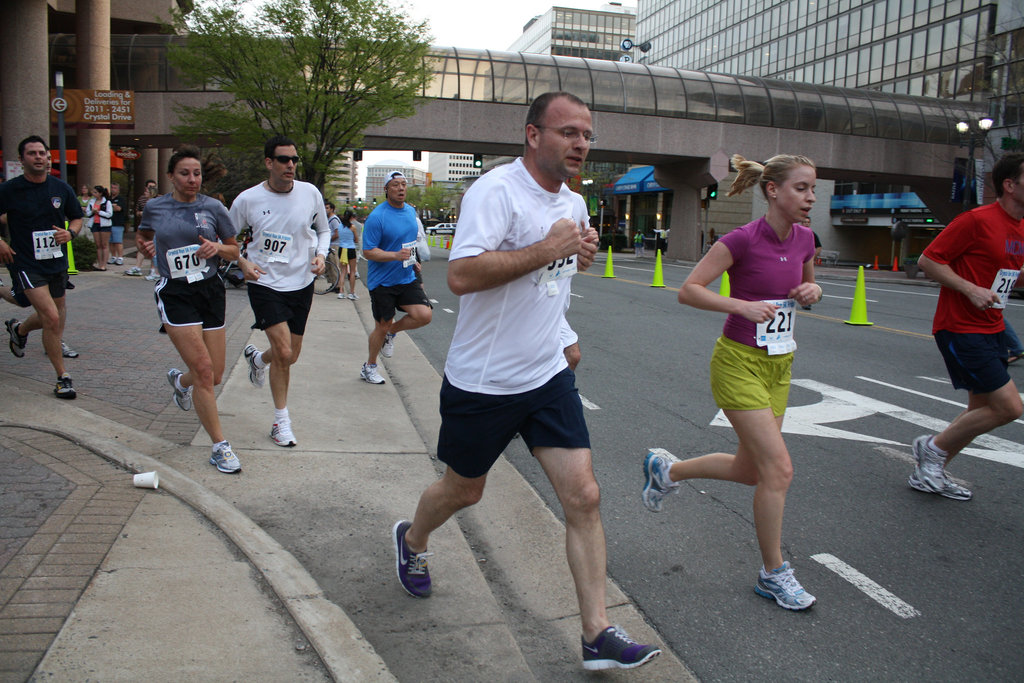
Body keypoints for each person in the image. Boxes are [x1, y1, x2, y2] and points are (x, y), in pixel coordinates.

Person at [392, 92, 660, 671]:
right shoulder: (495, 191)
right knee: (465, 490)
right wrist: (548, 249)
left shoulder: (575, 203)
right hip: (484, 381)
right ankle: (413, 539)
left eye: (586, 133)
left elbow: (554, 278)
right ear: (533, 135)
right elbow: (461, 274)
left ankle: (596, 633)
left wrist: (565, 316)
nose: (581, 144)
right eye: (568, 132)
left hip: (546, 375)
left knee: (584, 496)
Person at [642, 153, 821, 611]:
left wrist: (811, 292)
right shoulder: (741, 239)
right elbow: (689, 289)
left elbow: (808, 286)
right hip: (738, 363)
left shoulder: (806, 240)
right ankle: (773, 574)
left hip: (779, 365)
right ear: (773, 190)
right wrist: (739, 305)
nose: (810, 197)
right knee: (779, 471)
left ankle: (669, 470)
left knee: (751, 470)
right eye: (801, 188)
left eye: (813, 188)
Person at [910, 152, 1024, 501]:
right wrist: (970, 288)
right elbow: (928, 260)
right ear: (1009, 185)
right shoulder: (976, 220)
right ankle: (931, 448)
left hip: (992, 328)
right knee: (1009, 408)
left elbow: (1009, 277)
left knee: (980, 410)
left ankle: (931, 471)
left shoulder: (1021, 227)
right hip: (961, 326)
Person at [137, 145, 242, 473]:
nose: (192, 179)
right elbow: (143, 236)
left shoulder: (213, 207)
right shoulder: (155, 208)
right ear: (170, 176)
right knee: (205, 371)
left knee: (215, 373)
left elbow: (234, 250)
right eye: (184, 173)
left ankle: (182, 383)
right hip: (176, 292)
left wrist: (217, 247)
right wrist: (145, 245)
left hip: (210, 291)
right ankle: (219, 446)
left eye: (196, 173)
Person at [232, 135, 331, 448]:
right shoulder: (247, 200)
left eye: (294, 160)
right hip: (264, 281)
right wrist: (242, 262)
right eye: (284, 159)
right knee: (285, 353)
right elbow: (226, 239)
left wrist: (321, 255)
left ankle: (259, 361)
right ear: (268, 163)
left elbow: (324, 230)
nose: (291, 165)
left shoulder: (310, 193)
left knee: (290, 356)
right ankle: (281, 422)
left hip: (301, 282)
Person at [0, 135, 84, 398]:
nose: (39, 157)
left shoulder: (61, 188)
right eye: (32, 153)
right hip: (25, 261)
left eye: (42, 153)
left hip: (55, 261)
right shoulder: (9, 189)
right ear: (23, 159)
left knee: (54, 314)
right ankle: (63, 377)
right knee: (51, 317)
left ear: (49, 158)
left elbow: (77, 217)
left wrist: (70, 234)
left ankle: (19, 329)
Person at [359, 171, 433, 385]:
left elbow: (409, 244)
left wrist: (413, 259)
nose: (400, 188)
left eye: (403, 184)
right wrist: (394, 256)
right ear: (386, 189)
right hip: (382, 282)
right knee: (381, 325)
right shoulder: (377, 217)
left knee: (424, 315)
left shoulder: (411, 212)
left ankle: (392, 332)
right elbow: (369, 251)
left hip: (406, 275)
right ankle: (370, 366)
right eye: (395, 185)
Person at [126, 179, 158, 278]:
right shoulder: (142, 199)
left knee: (153, 248)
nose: (147, 191)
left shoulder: (158, 201)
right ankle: (137, 267)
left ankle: (154, 270)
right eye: (149, 187)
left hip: (154, 228)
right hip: (145, 227)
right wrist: (141, 213)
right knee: (142, 247)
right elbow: (137, 211)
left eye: (152, 188)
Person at [84, 185, 113, 270]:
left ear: (100, 193)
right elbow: (88, 213)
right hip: (95, 224)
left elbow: (109, 214)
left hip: (104, 225)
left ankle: (104, 264)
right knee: (98, 245)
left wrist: (99, 212)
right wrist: (93, 211)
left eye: (95, 192)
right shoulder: (92, 201)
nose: (93, 194)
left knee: (104, 244)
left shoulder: (107, 202)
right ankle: (99, 264)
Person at [335, 207, 360, 300]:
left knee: (343, 272)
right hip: (350, 249)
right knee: (352, 272)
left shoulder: (340, 226)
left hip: (342, 249)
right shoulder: (352, 227)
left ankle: (341, 292)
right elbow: (356, 239)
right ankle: (352, 292)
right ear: (351, 217)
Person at [108, 182, 128, 266]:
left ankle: (120, 257)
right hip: (109, 223)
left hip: (118, 223)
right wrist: (113, 206)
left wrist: (111, 206)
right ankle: (113, 256)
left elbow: (118, 208)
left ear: (118, 189)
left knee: (118, 241)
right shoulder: (108, 198)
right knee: (111, 242)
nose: (113, 189)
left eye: (115, 188)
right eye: (112, 187)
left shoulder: (121, 199)